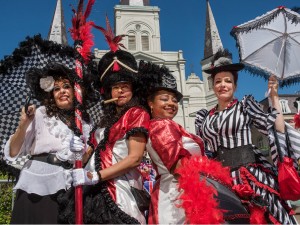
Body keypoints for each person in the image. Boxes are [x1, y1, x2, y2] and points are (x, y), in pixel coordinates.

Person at [195, 48, 298, 224]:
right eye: (218, 81)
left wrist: (274, 97)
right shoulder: (203, 117)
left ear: (235, 86)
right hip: (219, 181)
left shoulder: (244, 106)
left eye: (228, 81)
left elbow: (275, 128)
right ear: (213, 86)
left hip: (248, 177)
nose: (223, 85)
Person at [138, 61, 247, 224]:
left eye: (174, 100)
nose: (171, 103)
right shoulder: (161, 125)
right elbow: (179, 167)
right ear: (150, 103)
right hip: (176, 197)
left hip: (184, 193)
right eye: (164, 99)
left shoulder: (170, 125)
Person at [70, 32, 151, 224]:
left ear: (133, 88)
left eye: (125, 86)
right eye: (115, 87)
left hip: (120, 190)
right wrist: (75, 153)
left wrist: (96, 175)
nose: (120, 91)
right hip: (92, 190)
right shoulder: (104, 120)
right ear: (108, 91)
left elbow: (134, 158)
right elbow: (89, 152)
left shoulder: (137, 113)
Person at [3, 62, 94, 224]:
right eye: (56, 88)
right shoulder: (41, 114)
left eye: (67, 86)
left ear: (76, 91)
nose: (62, 91)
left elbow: (85, 159)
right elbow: (13, 152)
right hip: (37, 186)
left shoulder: (85, 123)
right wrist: (23, 124)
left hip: (69, 189)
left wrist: (81, 153)